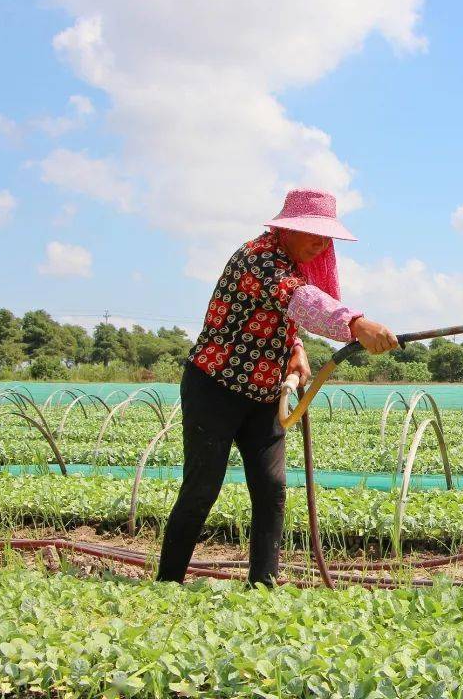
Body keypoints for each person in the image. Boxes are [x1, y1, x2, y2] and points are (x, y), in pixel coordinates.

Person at [157, 189, 398, 586]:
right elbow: (295, 299)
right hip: (216, 386)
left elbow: (280, 316)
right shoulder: (258, 258)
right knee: (202, 487)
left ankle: (263, 585)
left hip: (264, 394)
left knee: (271, 488)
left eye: (326, 239)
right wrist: (356, 324)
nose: (321, 245)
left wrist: (296, 348)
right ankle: (167, 583)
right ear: (286, 229)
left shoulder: (291, 262)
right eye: (313, 235)